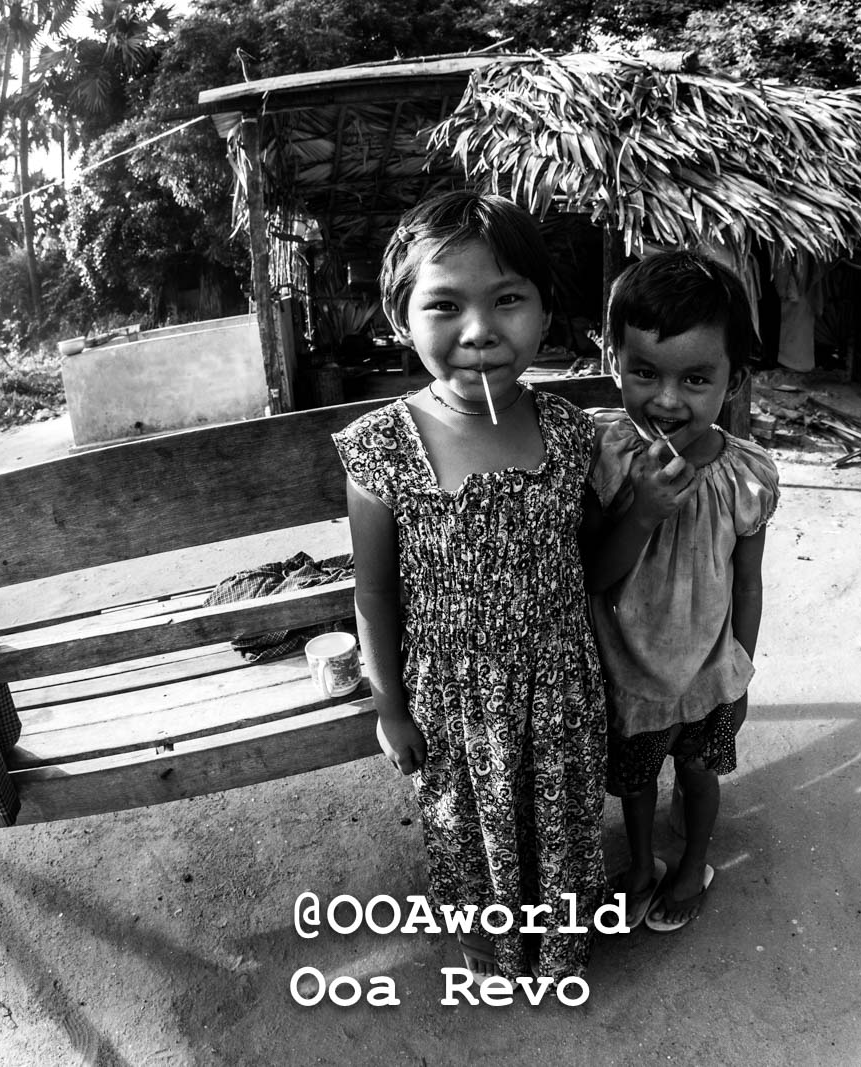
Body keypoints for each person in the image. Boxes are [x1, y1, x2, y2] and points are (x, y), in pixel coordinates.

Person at [332, 191, 606, 980]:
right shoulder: (382, 448)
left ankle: (558, 944)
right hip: (451, 700)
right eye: (444, 304)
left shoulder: (569, 432)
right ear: (399, 317)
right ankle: (493, 946)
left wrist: (649, 507)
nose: (480, 330)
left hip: (559, 686)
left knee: (556, 820)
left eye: (508, 299)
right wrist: (388, 703)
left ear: (546, 313)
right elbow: (375, 592)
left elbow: (588, 562)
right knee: (470, 827)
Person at [586, 250, 779, 933]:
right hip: (629, 673)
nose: (667, 401)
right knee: (635, 784)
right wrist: (639, 509)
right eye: (644, 372)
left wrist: (741, 668)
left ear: (734, 380)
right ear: (613, 361)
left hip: (708, 674)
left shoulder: (746, 476)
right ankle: (640, 866)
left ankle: (693, 860)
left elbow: (747, 583)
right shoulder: (603, 456)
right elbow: (594, 575)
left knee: (699, 775)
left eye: (695, 378)